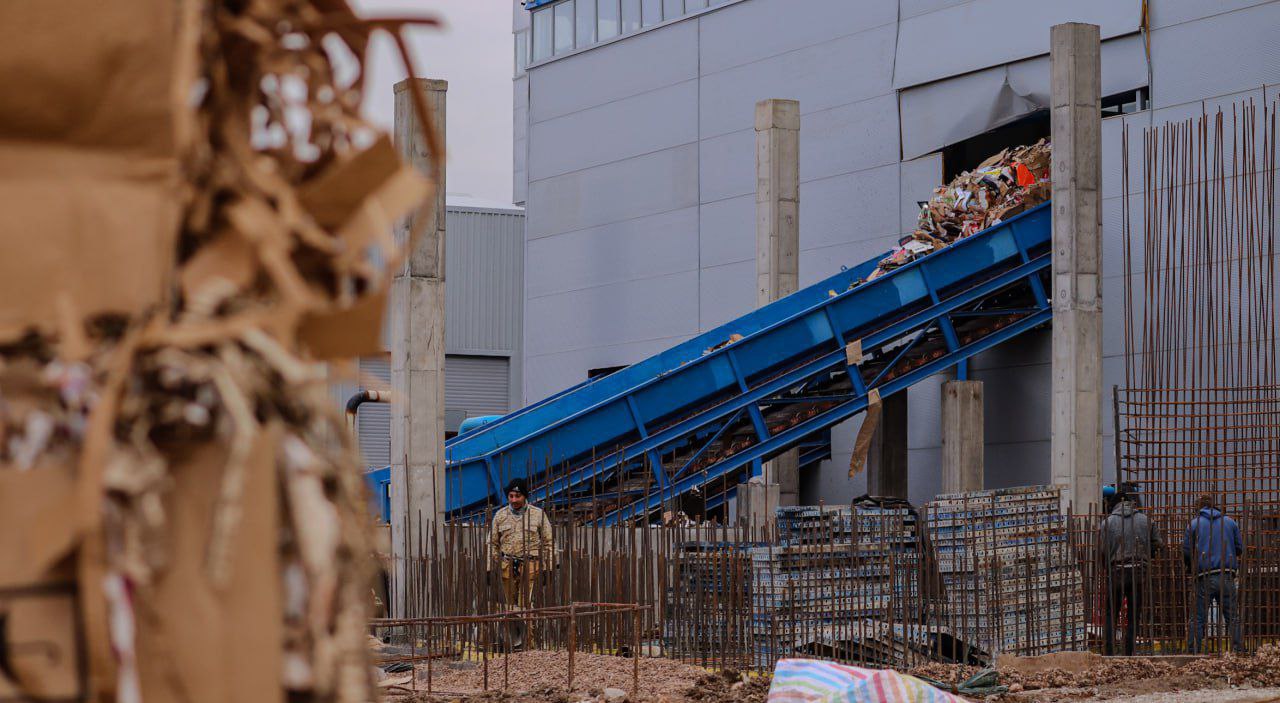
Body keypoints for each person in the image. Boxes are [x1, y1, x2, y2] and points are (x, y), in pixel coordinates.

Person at [489, 478, 552, 647]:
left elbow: (548, 543)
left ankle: (527, 644)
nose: (514, 500)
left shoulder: (538, 514)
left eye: (517, 496)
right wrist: (490, 568)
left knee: (527, 607)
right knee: (507, 607)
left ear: (524, 496)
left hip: (530, 567)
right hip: (506, 567)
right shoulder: (500, 515)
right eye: (511, 496)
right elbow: (492, 544)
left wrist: (548, 568)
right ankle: (509, 643)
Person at [1099, 492, 1163, 655]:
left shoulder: (1107, 523)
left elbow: (1102, 550)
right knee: (1134, 614)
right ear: (1132, 503)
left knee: (1111, 614)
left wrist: (1106, 567)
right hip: (1139, 572)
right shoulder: (1145, 520)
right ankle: (1129, 652)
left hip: (1116, 571)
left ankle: (1109, 652)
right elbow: (1158, 544)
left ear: (1114, 505)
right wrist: (1147, 553)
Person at [1183, 494, 1244, 653]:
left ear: (1198, 508)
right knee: (1233, 617)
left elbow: (1187, 552)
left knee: (1198, 618)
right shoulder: (1230, 522)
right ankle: (1238, 650)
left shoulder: (1193, 524)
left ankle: (1194, 652)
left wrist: (1192, 567)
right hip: (1227, 575)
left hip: (1205, 576)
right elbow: (1239, 548)